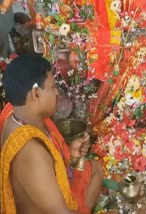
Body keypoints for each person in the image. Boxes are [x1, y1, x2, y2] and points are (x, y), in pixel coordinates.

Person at [0, 54, 104, 214]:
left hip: (49, 195)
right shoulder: (31, 152)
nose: (57, 93)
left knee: (95, 167)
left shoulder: (15, 113)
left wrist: (69, 151)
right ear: (35, 94)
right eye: (53, 87)